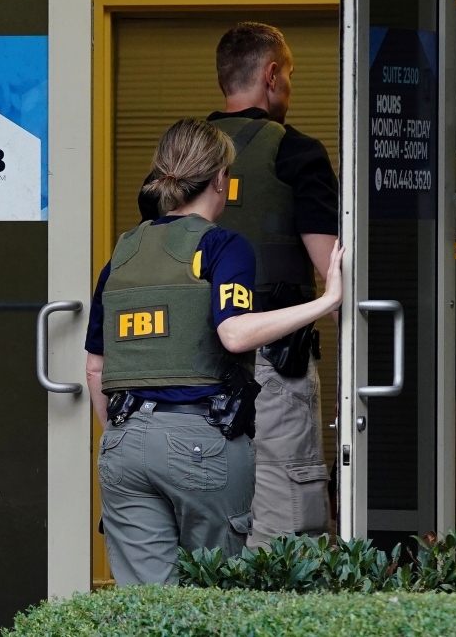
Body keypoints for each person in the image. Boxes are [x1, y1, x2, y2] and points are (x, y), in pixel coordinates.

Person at [87, 118, 343, 585]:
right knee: (214, 598)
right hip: (200, 444)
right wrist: (326, 301)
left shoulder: (122, 254)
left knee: (148, 610)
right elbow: (235, 333)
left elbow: (95, 367)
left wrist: (129, 434)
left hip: (122, 442)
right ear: (221, 178)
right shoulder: (223, 246)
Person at [205, 22, 340, 548]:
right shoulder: (297, 152)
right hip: (272, 360)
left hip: (188, 361)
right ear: (272, 74)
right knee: (287, 518)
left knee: (210, 521)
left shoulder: (181, 155)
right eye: (292, 76)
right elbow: (333, 271)